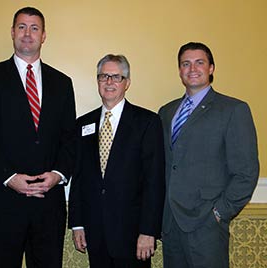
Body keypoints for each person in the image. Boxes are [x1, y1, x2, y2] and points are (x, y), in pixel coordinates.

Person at [0, 6, 76, 268]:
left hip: (48, 203)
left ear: (43, 36)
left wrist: (58, 175)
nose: (27, 34)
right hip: (5, 202)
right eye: (21, 27)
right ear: (12, 32)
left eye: (34, 28)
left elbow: (69, 138)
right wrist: (9, 178)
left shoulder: (62, 83)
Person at [158, 42, 259, 268]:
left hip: (206, 226)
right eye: (186, 63)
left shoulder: (233, 110)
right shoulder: (166, 112)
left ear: (211, 68)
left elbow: (247, 172)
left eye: (199, 62)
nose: (192, 68)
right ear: (180, 71)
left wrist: (219, 213)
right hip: (171, 224)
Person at [68, 54, 165, 268]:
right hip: (95, 233)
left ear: (127, 83)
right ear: (98, 81)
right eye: (104, 77)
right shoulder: (83, 124)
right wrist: (77, 224)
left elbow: (154, 182)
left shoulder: (147, 123)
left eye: (116, 77)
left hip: (133, 235)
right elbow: (79, 177)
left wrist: (148, 231)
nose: (109, 82)